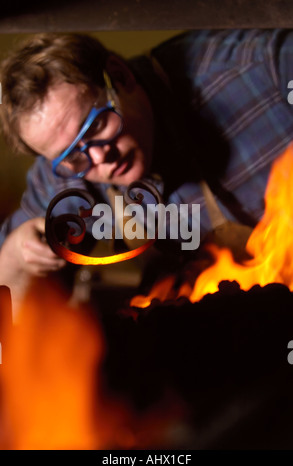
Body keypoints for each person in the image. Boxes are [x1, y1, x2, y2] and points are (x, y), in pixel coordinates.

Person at [0, 29, 293, 312]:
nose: (101, 156)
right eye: (72, 153)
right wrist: (16, 253)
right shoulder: (68, 170)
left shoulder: (260, 67)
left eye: (97, 124)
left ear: (120, 75)